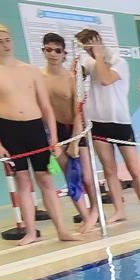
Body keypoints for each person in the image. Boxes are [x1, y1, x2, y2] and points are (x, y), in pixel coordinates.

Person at [0, 23, 79, 245]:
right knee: (22, 180)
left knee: (45, 179)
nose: (5, 45)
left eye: (7, 40)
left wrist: (53, 138)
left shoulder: (31, 70)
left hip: (34, 128)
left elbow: (46, 107)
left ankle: (62, 230)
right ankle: (30, 232)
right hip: (8, 129)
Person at [77, 28, 140, 225]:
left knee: (133, 168)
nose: (89, 52)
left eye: (91, 47)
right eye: (86, 49)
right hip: (97, 122)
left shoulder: (120, 62)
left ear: (99, 42)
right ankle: (119, 210)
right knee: (109, 169)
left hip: (120, 122)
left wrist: (99, 55)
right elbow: (75, 77)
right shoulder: (88, 62)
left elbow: (104, 79)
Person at [39, 31, 98, 230]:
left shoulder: (71, 78)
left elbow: (78, 111)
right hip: (54, 132)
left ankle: (95, 211)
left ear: (64, 53)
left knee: (87, 177)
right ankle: (85, 216)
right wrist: (52, 140)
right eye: (48, 49)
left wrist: (74, 141)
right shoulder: (38, 78)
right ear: (43, 51)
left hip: (76, 129)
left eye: (57, 50)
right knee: (71, 177)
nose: (52, 54)